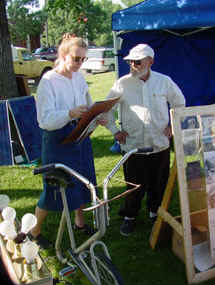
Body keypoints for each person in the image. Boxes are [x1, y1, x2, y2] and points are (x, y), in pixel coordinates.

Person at [30, 35, 106, 248]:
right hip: (57, 140)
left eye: (83, 60)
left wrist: (96, 114)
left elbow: (88, 102)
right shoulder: (48, 82)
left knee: (82, 181)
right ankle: (34, 231)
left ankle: (79, 224)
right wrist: (70, 113)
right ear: (63, 56)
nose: (80, 64)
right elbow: (44, 120)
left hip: (79, 136)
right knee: (54, 188)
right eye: (76, 59)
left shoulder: (79, 77)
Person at [104, 43, 185, 236]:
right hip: (133, 146)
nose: (133, 65)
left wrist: (172, 126)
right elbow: (106, 109)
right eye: (131, 61)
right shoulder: (122, 83)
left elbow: (179, 103)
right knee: (133, 185)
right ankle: (130, 216)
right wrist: (115, 131)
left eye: (138, 61)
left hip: (159, 144)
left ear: (150, 61)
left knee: (159, 182)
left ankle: (154, 213)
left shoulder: (164, 81)